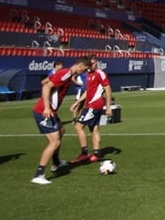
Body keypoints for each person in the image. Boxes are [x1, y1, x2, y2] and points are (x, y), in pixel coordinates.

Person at [31, 57, 89, 185]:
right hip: (44, 111)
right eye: (83, 70)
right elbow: (46, 87)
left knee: (61, 130)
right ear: (79, 66)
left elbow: (47, 82)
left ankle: (56, 163)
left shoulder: (65, 74)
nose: (83, 73)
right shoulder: (66, 73)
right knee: (54, 142)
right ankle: (39, 174)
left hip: (52, 111)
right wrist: (46, 107)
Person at [68, 55, 113, 165]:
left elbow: (108, 89)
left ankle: (84, 153)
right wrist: (78, 102)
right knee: (94, 129)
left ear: (97, 63)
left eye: (93, 63)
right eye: (89, 64)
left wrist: (108, 107)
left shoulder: (100, 74)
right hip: (90, 104)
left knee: (78, 126)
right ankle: (97, 154)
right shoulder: (88, 74)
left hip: (94, 105)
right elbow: (88, 91)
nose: (91, 66)